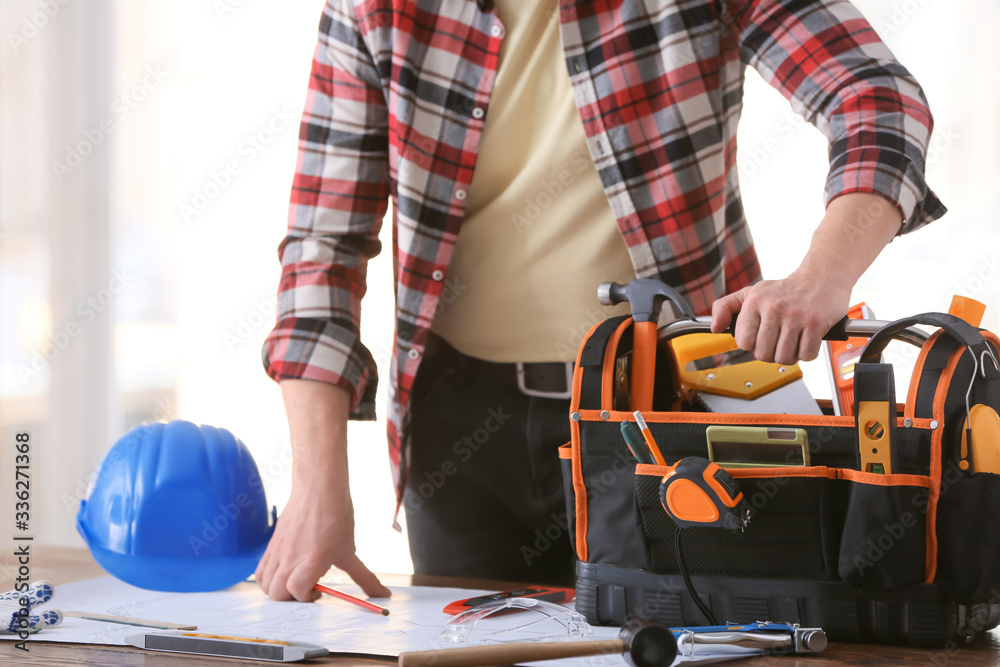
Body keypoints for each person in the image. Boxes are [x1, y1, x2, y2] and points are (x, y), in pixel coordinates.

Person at [254, 0, 944, 601]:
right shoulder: (376, 6)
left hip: (666, 408)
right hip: (457, 431)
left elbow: (877, 98)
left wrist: (822, 277)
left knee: (686, 641)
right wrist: (318, 485)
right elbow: (323, 242)